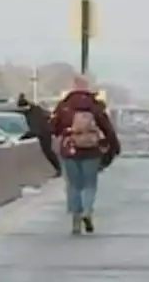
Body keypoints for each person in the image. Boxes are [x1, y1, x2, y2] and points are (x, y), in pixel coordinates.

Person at [49, 78, 120, 235]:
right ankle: (87, 210)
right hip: (92, 150)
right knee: (89, 183)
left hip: (70, 149)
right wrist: (114, 147)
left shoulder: (64, 106)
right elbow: (108, 129)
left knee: (74, 185)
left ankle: (76, 219)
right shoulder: (96, 106)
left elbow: (52, 128)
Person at [17, 93, 60, 176]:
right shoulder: (36, 109)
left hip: (44, 133)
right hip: (45, 131)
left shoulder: (33, 114)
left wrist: (24, 137)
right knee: (48, 151)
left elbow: (35, 129)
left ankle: (58, 169)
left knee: (48, 151)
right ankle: (58, 169)